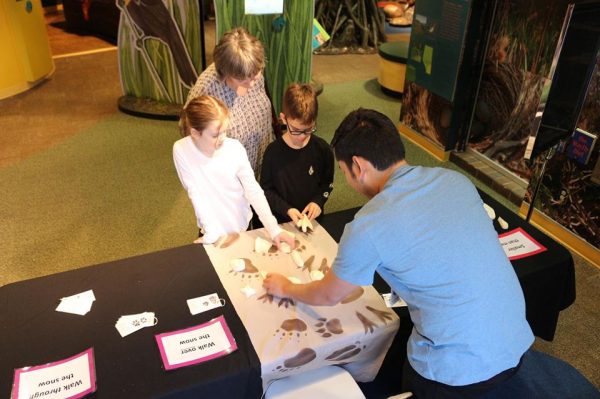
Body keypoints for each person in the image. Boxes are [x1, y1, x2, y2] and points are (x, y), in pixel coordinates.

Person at [263, 109, 534, 398]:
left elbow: (329, 295)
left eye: (345, 173)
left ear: (358, 165)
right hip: (516, 341)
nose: (351, 184)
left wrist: (285, 287)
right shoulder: (456, 180)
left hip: (456, 372)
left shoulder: (368, 225)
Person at [173, 95, 294, 249]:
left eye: (225, 131)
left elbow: (253, 191)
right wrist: (210, 232)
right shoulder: (181, 150)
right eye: (215, 135)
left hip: (240, 225)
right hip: (210, 228)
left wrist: (273, 229)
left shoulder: (234, 148)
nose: (222, 138)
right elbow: (194, 192)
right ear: (195, 133)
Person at [185, 27, 274, 174]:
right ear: (225, 72)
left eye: (255, 75)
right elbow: (192, 142)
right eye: (243, 79)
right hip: (228, 176)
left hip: (259, 162)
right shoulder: (205, 90)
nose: (252, 83)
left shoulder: (251, 69)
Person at [260, 83, 334, 224]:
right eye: (296, 130)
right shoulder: (272, 152)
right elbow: (266, 190)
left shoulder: (322, 149)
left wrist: (318, 202)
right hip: (281, 222)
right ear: (283, 119)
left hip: (313, 221)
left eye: (308, 129)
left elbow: (327, 183)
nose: (302, 136)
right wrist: (286, 209)